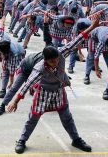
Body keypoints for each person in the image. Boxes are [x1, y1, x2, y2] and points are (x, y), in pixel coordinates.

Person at [6, 17, 100, 154]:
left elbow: (76, 41)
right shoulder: (39, 69)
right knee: (33, 118)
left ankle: (76, 139)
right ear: (45, 60)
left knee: (67, 117)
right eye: (52, 62)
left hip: (59, 92)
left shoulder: (60, 54)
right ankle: (22, 140)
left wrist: (92, 26)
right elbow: (27, 86)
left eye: (57, 60)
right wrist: (15, 101)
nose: (56, 63)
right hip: (43, 93)